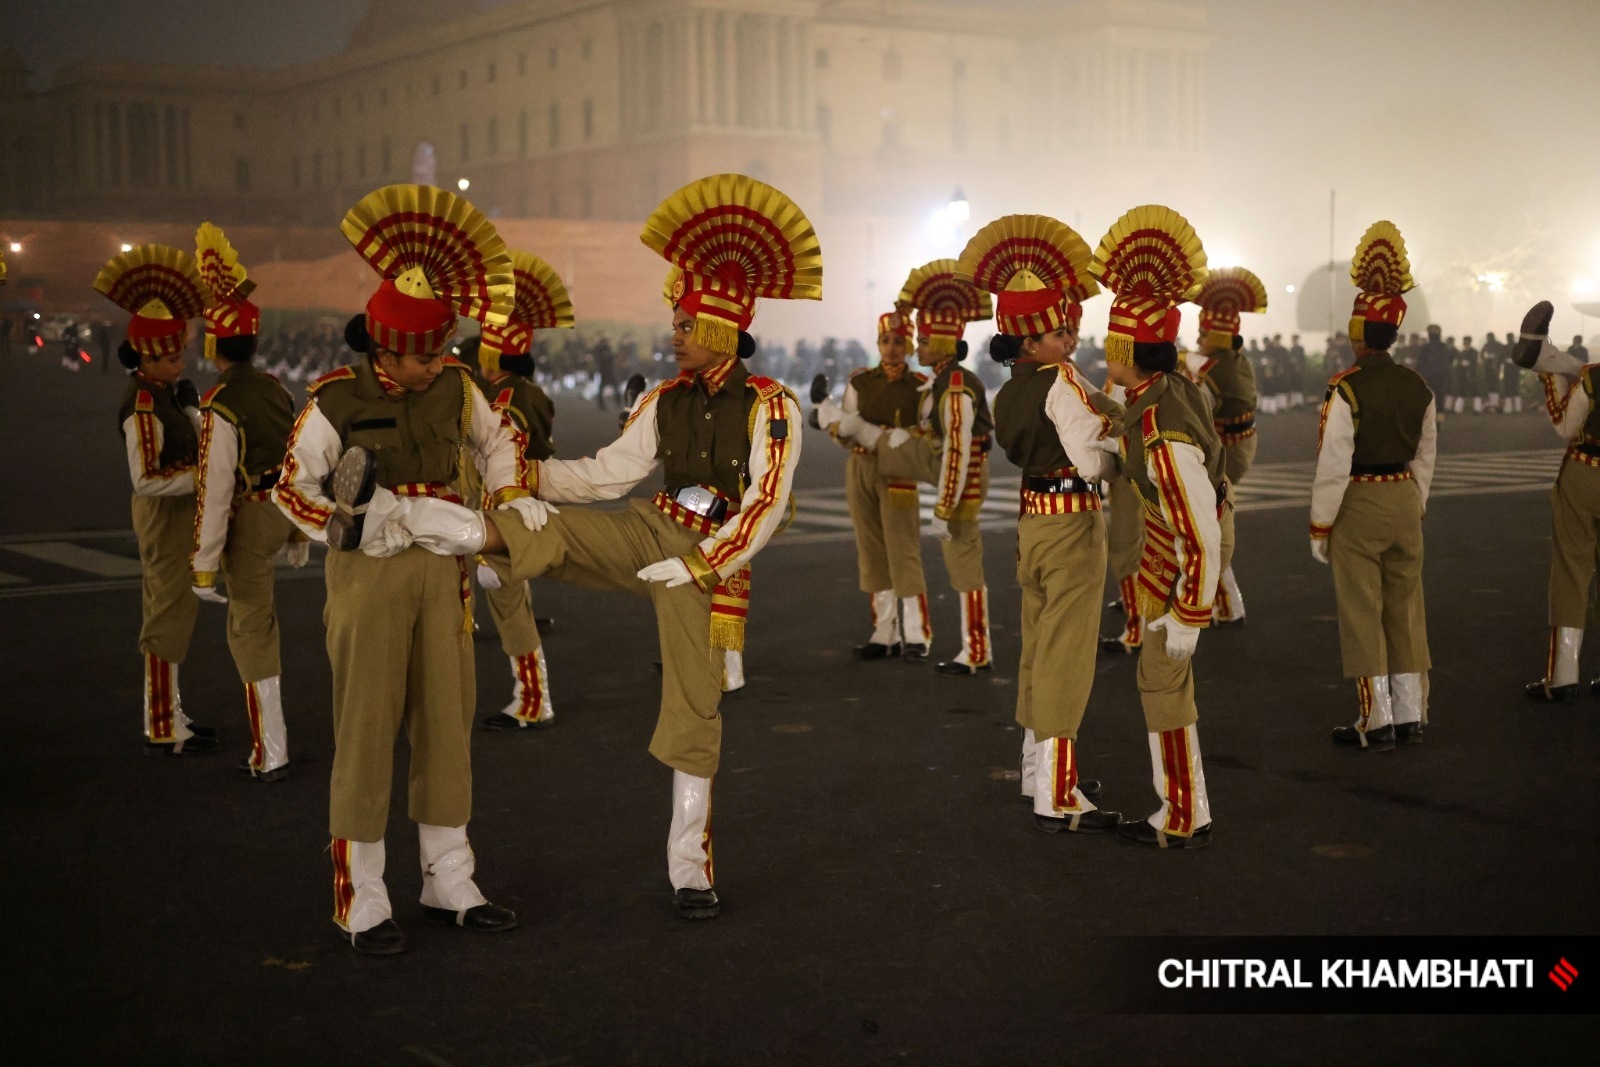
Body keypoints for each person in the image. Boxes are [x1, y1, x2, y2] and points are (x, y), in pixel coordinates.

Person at [331, 173, 818, 921]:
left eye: (684, 323)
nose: (674, 334)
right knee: (543, 531)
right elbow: (605, 476)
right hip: (648, 526)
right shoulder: (662, 400)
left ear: (719, 327)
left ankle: (690, 866)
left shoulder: (770, 406)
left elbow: (766, 504)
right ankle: (430, 521)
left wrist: (697, 562)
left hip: (707, 554)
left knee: (694, 707)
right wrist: (525, 477)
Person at [274, 183, 525, 954]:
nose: (438, 363)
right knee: (367, 726)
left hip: (442, 572)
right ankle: (363, 895)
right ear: (386, 350)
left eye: (442, 349)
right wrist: (339, 529)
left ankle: (451, 878)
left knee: (447, 724)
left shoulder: (457, 387)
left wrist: (507, 493)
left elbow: (500, 439)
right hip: (369, 578)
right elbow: (291, 485)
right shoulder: (333, 401)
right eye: (425, 353)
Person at [962, 213, 1122, 830]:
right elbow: (1088, 458)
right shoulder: (1061, 383)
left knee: (1037, 647)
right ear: (1030, 341)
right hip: (1072, 523)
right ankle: (1058, 789)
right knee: (1067, 653)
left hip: (1031, 521)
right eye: (1058, 332)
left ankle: (1037, 770)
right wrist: (1118, 461)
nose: (1069, 340)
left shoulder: (1008, 391)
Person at [1089, 204, 1219, 848]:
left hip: (1175, 575)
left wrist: (1188, 615)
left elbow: (1202, 530)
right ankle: (1182, 806)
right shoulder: (1164, 395)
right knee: (1162, 689)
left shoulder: (1162, 433)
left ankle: (1182, 813)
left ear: (1126, 350)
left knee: (1163, 687)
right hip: (1165, 565)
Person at [189, 223, 307, 781]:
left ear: (214, 347)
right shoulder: (277, 388)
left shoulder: (220, 403)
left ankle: (271, 750)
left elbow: (215, 490)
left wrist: (203, 565)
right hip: (287, 506)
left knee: (251, 629)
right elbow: (301, 454)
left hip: (253, 517)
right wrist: (301, 531)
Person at [1311, 221, 1435, 748]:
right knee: (1406, 606)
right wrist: (1415, 500)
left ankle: (1375, 718)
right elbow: (1427, 453)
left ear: (1358, 335)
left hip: (1358, 502)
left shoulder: (1347, 389)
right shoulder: (1417, 384)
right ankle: (1412, 711)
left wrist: (1321, 525)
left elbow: (1334, 464)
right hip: (1405, 496)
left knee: (1362, 610)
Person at [93, 244, 218, 757]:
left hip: (176, 515)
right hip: (164, 515)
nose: (180, 362)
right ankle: (163, 722)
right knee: (166, 616)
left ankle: (170, 711)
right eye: (171, 357)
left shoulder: (164, 394)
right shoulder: (142, 406)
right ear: (146, 358)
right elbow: (146, 478)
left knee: (173, 611)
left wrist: (191, 414)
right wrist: (207, 477)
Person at [460, 251, 574, 731]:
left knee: (511, 613)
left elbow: (498, 471)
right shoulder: (532, 392)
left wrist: (489, 549)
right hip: (526, 510)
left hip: (502, 517)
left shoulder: (504, 402)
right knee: (512, 606)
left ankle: (533, 699)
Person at [876, 259, 998, 675]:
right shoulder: (944, 382)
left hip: (963, 485)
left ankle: (976, 649)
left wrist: (945, 505)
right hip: (958, 478)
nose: (918, 347)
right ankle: (974, 647)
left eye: (926, 341)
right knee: (963, 565)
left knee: (965, 567)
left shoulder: (957, 387)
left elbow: (959, 451)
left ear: (945, 344)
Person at [814, 308, 932, 659]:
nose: (891, 348)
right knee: (871, 551)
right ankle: (885, 632)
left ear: (909, 345)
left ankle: (916, 634)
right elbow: (843, 431)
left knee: (903, 549)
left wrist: (888, 435)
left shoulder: (921, 388)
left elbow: (926, 436)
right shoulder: (859, 383)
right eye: (885, 340)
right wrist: (840, 428)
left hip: (898, 472)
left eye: (898, 341)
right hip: (861, 468)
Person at [1513, 301, 1600, 700]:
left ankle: (1563, 677)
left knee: (1571, 570)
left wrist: (1555, 379)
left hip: (1587, 471)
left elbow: (1566, 425)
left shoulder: (1592, 379)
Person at [1190, 267, 1268, 625]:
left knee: (1211, 528)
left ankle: (1225, 604)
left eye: (1203, 333)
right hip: (1243, 443)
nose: (1198, 338)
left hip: (1225, 453)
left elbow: (1197, 413)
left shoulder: (1212, 371)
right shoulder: (1239, 361)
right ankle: (1218, 601)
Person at [1415, 325, 1451, 421]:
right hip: (1441, 376)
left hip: (1428, 375)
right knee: (1440, 397)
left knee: (1426, 397)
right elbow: (1448, 362)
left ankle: (1427, 418)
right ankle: (1439, 419)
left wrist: (1419, 372)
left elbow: (1420, 362)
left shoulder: (1426, 347)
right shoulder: (1444, 347)